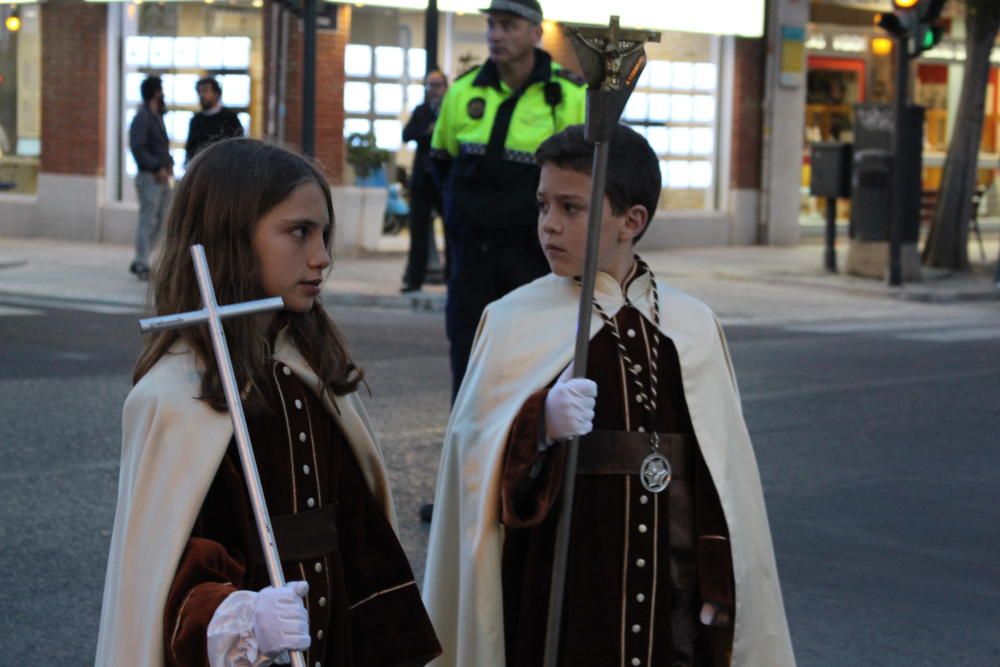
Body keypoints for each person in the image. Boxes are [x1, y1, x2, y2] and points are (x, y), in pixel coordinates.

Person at [422, 124, 796, 667]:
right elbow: (474, 473)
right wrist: (537, 426)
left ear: (632, 221)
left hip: (671, 583)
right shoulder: (511, 322)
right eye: (542, 204)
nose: (548, 225)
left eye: (571, 208)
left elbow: (721, 477)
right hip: (564, 584)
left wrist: (715, 578)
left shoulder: (691, 326)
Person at [95, 138, 441, 667]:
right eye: (299, 232)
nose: (321, 256)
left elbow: (363, 536)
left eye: (325, 234)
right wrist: (239, 620)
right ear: (231, 235)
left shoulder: (312, 370)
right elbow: (167, 574)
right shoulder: (172, 397)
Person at [431, 0, 586, 400]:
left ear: (536, 32)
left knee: (534, 365)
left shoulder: (568, 95)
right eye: (492, 25)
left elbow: (587, 182)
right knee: (468, 363)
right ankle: (470, 456)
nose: (496, 35)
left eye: (509, 25)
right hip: (471, 259)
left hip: (533, 257)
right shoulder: (463, 92)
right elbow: (439, 165)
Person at [401, 70, 449, 293]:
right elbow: (407, 134)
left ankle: (452, 279)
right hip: (422, 179)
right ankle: (414, 280)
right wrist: (426, 131)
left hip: (444, 179)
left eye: (438, 85)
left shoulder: (450, 109)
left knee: (452, 231)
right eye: (430, 85)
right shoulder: (421, 111)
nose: (434, 89)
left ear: (445, 86)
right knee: (418, 232)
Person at [128, 75, 174, 281]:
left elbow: (160, 146)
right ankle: (141, 261)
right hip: (149, 177)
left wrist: (169, 163)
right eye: (161, 90)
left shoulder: (157, 116)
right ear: (155, 92)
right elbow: (138, 147)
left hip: (162, 177)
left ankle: (147, 258)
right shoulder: (143, 117)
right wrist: (156, 167)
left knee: (160, 219)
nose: (163, 94)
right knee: (147, 219)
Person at [185, 76, 244, 165]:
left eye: (205, 91)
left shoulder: (230, 117)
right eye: (199, 92)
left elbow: (239, 144)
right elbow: (190, 149)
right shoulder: (196, 120)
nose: (202, 95)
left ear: (216, 93)